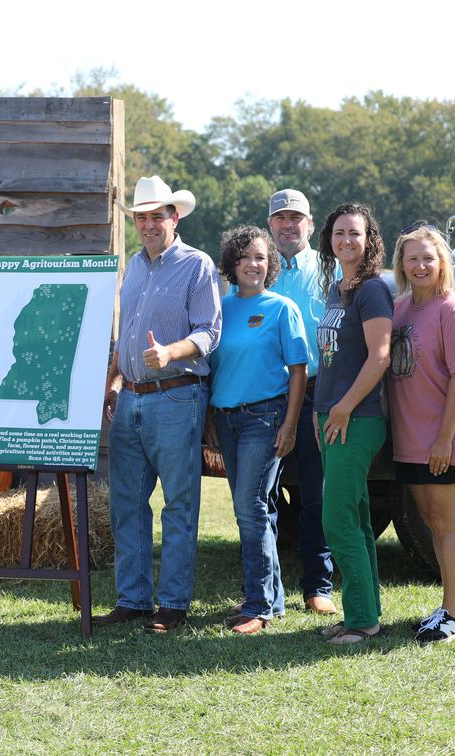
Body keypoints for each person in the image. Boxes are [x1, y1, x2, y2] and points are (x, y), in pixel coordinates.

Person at [95, 176, 222, 634]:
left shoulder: (197, 265)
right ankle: (132, 599)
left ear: (175, 217)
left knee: (179, 504)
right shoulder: (134, 265)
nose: (149, 224)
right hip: (129, 399)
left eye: (157, 216)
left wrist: (170, 352)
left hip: (176, 395)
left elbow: (210, 332)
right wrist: (113, 380)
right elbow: (126, 333)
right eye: (141, 217)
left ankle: (172, 604)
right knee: (126, 504)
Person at [388, 224, 455, 643]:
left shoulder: (453, 308)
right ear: (402, 265)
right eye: (412, 258)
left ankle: (453, 615)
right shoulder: (401, 308)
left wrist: (444, 439)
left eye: (428, 257)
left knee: (447, 524)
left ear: (443, 261)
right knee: (431, 521)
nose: (421, 265)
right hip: (411, 435)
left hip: (448, 434)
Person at [209, 226, 307, 635]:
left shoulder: (282, 308)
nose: (253, 264)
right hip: (225, 419)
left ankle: (257, 605)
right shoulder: (219, 308)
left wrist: (289, 426)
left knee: (248, 510)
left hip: (265, 418)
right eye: (246, 257)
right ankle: (273, 598)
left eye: (261, 258)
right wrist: (212, 424)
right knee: (260, 510)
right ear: (232, 263)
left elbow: (299, 371)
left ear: (271, 266)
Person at [313, 202, 392, 646]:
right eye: (339, 232)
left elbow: (379, 357)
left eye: (355, 233)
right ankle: (363, 614)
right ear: (329, 239)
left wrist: (341, 408)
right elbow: (332, 359)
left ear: (369, 240)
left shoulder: (371, 291)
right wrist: (319, 408)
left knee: (337, 519)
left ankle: (362, 623)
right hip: (332, 416)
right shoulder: (337, 288)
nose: (346, 240)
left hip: (356, 419)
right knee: (357, 519)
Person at [267, 189, 337, 615]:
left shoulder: (329, 270)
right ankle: (264, 585)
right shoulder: (260, 270)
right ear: (270, 225)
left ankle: (318, 584)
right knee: (264, 494)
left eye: (296, 218)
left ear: (310, 225)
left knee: (316, 493)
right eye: (280, 219)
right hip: (269, 394)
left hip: (316, 390)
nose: (288, 225)